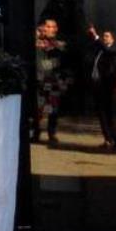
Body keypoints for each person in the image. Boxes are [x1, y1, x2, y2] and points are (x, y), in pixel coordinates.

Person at [88, 25, 116, 150]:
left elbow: (107, 52)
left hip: (109, 89)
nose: (104, 38)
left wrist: (96, 36)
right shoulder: (101, 51)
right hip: (99, 87)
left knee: (110, 116)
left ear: (113, 39)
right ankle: (108, 139)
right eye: (103, 36)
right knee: (102, 115)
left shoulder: (113, 50)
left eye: (107, 36)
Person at [34, 18, 68, 147]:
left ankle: (51, 133)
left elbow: (62, 64)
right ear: (43, 28)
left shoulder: (59, 45)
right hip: (40, 82)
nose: (51, 29)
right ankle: (36, 132)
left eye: (54, 27)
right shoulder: (38, 44)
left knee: (53, 110)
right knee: (38, 108)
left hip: (54, 83)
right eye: (48, 27)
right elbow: (40, 63)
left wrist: (63, 81)